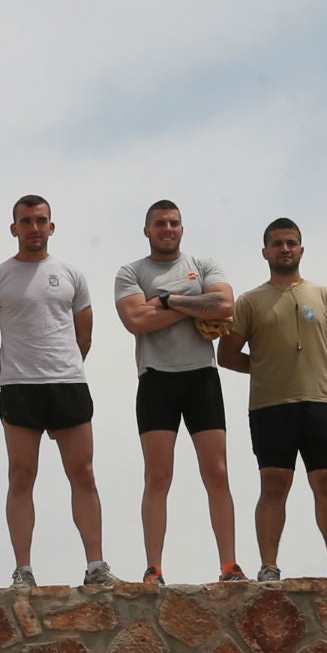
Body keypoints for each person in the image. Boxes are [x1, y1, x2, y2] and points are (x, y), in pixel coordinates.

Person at [0, 195, 112, 588]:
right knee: (21, 475)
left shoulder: (71, 274)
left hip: (68, 384)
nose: (34, 227)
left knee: (83, 473)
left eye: (41, 220)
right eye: (26, 221)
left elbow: (84, 333)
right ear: (14, 228)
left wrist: (64, 367)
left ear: (52, 226)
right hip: (20, 390)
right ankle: (24, 570)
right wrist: (14, 372)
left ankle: (96, 566)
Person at [216, 219, 327, 579]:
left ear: (301, 249)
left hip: (322, 402)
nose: (284, 249)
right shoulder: (250, 301)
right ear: (265, 252)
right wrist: (266, 368)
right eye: (277, 244)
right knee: (274, 484)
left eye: (291, 243)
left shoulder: (324, 295)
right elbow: (228, 354)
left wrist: (324, 361)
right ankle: (269, 566)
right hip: (271, 407)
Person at [111, 199, 242, 583]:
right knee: (157, 476)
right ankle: (154, 567)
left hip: (201, 376)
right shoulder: (131, 272)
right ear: (147, 230)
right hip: (156, 379)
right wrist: (195, 306)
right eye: (159, 224)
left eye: (173, 223)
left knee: (217, 472)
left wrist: (167, 300)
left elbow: (224, 305)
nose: (167, 229)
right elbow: (136, 319)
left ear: (182, 228)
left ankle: (229, 565)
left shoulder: (202, 266)